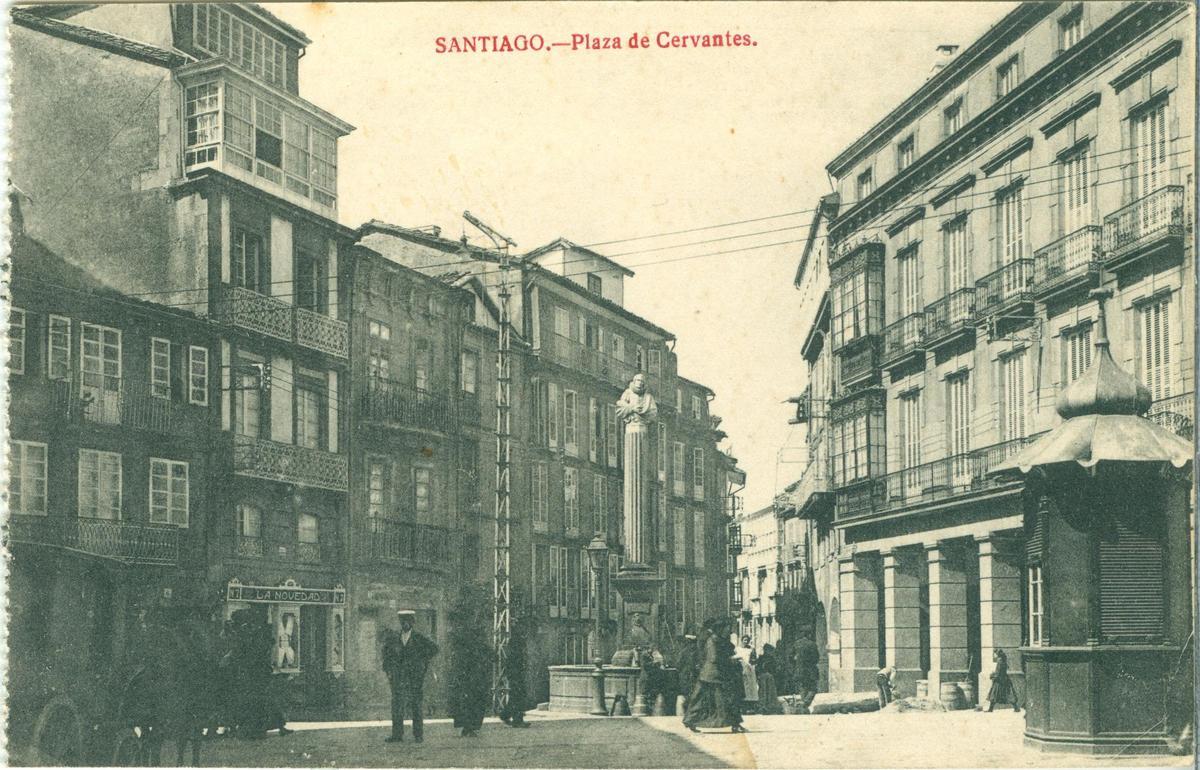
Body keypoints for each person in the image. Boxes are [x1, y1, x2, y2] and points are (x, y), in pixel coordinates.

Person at [382, 610, 439, 743]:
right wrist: (389, 671)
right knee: (397, 705)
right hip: (398, 678)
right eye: (402, 621)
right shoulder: (394, 638)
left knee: (416, 705)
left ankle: (418, 735)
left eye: (408, 621)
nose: (405, 623)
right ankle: (397, 735)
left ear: (413, 622)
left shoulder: (419, 638)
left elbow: (434, 649)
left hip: (414, 677)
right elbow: (386, 655)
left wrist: (421, 664)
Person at [683, 619, 746, 734]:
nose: (729, 631)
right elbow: (714, 658)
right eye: (727, 629)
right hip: (713, 674)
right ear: (720, 629)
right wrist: (731, 660)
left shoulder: (718, 640)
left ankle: (691, 720)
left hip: (713, 674)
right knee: (721, 699)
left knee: (709, 699)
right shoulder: (712, 640)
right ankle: (734, 724)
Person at [448, 589, 490, 738]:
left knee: (471, 699)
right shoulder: (467, 634)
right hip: (469, 672)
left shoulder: (469, 633)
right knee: (468, 699)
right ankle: (468, 726)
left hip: (472, 672)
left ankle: (469, 726)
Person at [499, 614, 532, 728]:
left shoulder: (516, 639)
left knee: (516, 695)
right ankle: (516, 719)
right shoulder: (517, 640)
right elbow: (514, 658)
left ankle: (507, 715)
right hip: (516, 671)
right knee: (519, 695)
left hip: (515, 671)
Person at [792, 633, 821, 712]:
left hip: (799, 670)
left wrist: (796, 664)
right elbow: (816, 658)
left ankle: (803, 706)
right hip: (810, 670)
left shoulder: (796, 644)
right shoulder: (812, 644)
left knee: (802, 688)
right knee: (813, 688)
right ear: (809, 635)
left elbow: (791, 657)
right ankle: (805, 703)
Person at [734, 635, 759, 712]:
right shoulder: (737, 649)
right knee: (743, 686)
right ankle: (742, 706)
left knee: (750, 687)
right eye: (744, 640)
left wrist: (752, 665)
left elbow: (754, 659)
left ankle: (750, 705)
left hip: (749, 668)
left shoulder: (750, 649)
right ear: (741, 640)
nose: (746, 642)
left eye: (747, 640)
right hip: (740, 668)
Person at [675, 634, 700, 711]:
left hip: (685, 676)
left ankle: (681, 713)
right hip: (694, 676)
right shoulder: (698, 651)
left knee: (683, 695)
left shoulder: (684, 651)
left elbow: (678, 665)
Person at [756, 644, 781, 714]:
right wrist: (758, 675)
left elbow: (774, 668)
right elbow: (758, 667)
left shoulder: (772, 658)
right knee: (763, 691)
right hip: (763, 676)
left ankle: (770, 706)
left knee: (770, 690)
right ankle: (763, 706)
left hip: (770, 676)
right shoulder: (761, 658)